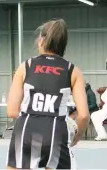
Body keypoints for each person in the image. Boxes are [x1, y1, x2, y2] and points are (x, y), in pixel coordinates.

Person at [6, 19, 90, 169]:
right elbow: (83, 115)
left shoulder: (26, 66)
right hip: (56, 132)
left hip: (26, 129)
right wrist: (78, 135)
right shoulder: (73, 71)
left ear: (41, 40)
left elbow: (12, 111)